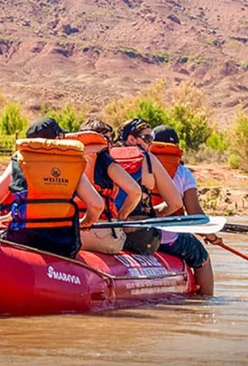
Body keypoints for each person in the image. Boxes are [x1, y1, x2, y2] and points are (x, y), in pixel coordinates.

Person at [0, 117, 104, 258]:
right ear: (59, 137)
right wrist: (85, 222)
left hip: (23, 241)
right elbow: (97, 205)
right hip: (63, 245)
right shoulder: (72, 162)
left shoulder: (21, 160)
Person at [151, 124, 217, 296]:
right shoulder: (183, 173)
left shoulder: (140, 167)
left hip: (138, 235)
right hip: (169, 240)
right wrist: (211, 236)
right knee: (202, 258)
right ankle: (206, 301)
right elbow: (195, 215)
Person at [68, 118, 141, 254]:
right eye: (109, 139)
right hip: (102, 234)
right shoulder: (103, 157)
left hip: (71, 232)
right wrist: (121, 216)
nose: (110, 145)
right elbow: (135, 191)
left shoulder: (68, 156)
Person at [111, 118, 183, 254]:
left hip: (110, 231)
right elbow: (175, 203)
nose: (151, 144)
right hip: (140, 236)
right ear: (132, 139)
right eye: (148, 138)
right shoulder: (148, 159)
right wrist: (153, 214)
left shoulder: (106, 157)